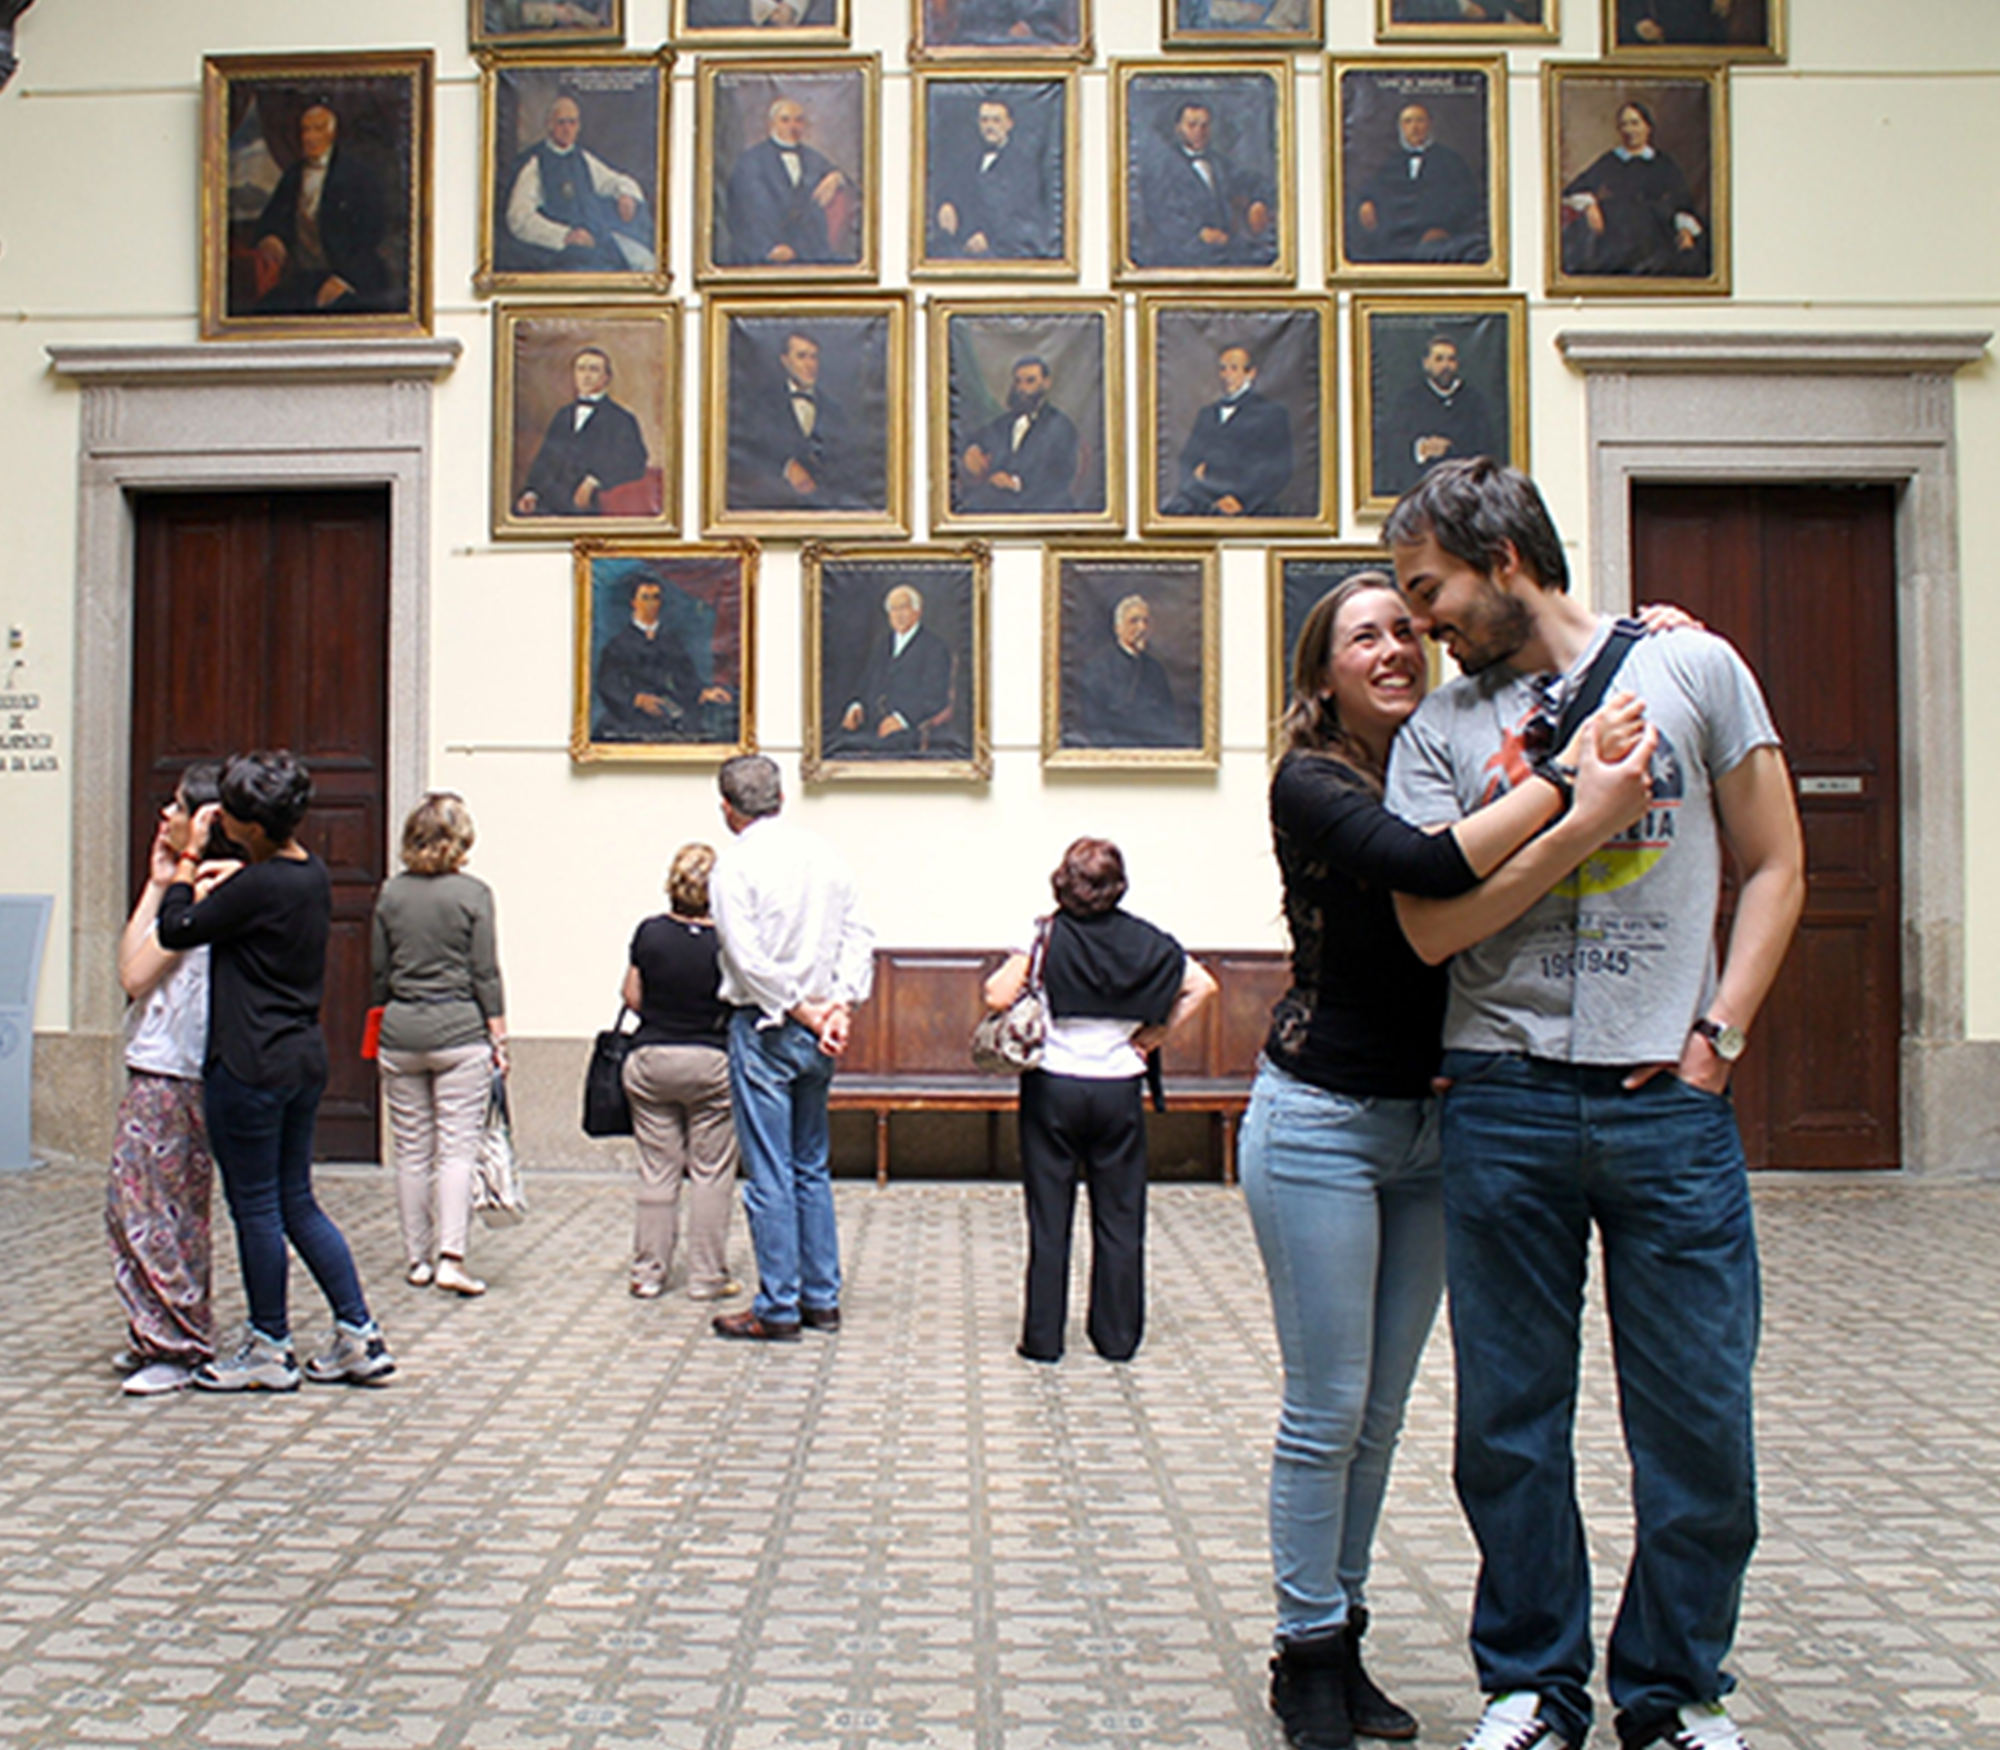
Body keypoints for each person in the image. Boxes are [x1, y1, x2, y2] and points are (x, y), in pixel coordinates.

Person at [1382, 458, 1805, 1750]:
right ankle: (1532, 1683)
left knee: (1699, 1421)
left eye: (1430, 589)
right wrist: (1574, 814)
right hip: (1504, 1099)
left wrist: (1718, 1036)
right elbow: (1432, 927)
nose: (1422, 622)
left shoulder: (1695, 667)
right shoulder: (1441, 731)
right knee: (1508, 1420)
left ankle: (1676, 1691)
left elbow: (1780, 858)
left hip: (1665, 1111)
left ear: (1501, 554)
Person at [1241, 576, 1657, 1750]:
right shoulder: (1310, 779)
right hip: (1319, 1118)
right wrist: (1574, 790)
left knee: (1377, 1413)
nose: (1392, 650)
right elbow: (1427, 868)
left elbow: (1573, 663)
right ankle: (1302, 1653)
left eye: (1403, 632)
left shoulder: (1455, 750)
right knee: (1323, 1406)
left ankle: (1343, 1627)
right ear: (1320, 673)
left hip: (1432, 1125)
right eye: (1360, 636)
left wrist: (1648, 638)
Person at [156, 750, 396, 1392]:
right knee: (297, 1201)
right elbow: (249, 900)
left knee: (256, 1207)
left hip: (248, 1062)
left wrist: (184, 862)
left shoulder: (255, 887)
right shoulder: (309, 875)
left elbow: (177, 928)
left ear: (252, 828)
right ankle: (357, 1334)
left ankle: (268, 1345)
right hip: (300, 1057)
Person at [983, 838, 1215, 1366]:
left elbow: (997, 996)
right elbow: (1203, 986)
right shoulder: (1146, 940)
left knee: (1049, 1217)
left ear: (1062, 881)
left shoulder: (1043, 933)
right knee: (1120, 1214)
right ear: (1118, 887)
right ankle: (1116, 1338)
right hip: (1118, 1089)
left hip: (1054, 1087)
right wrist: (1156, 1035)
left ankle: (1043, 1339)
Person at [708, 755, 874, 1342]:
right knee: (811, 1165)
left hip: (764, 1028)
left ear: (728, 808)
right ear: (779, 799)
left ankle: (778, 1305)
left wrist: (805, 1009)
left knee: (769, 1173)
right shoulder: (825, 855)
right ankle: (821, 1298)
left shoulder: (734, 867)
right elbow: (859, 935)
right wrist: (840, 1008)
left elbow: (749, 959)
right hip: (820, 1029)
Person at [106, 763, 234, 1396]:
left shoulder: (208, 893)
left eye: (177, 806)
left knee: (160, 1210)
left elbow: (138, 976)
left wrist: (181, 873)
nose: (164, 813)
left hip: (178, 1069)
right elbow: (130, 963)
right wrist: (156, 883)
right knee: (140, 1205)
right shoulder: (179, 890)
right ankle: (157, 1330)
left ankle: (178, 1342)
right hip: (154, 1064)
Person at [371, 793, 508, 1300]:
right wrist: (498, 1034)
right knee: (455, 1150)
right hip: (459, 1033)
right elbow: (485, 972)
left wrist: (386, 1014)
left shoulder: (390, 894)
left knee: (411, 1151)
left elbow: (379, 970)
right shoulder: (474, 894)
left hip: (401, 1030)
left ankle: (416, 1259)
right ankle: (452, 1257)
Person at [621, 842, 742, 1303]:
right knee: (711, 1171)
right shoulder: (727, 942)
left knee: (657, 1169)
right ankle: (707, 1276)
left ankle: (648, 1272)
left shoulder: (650, 933)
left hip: (652, 1059)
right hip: (711, 1061)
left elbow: (632, 996)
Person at [248, 101, 393, 315]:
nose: (310, 137)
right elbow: (271, 219)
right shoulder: (294, 174)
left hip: (351, 277)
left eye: (318, 128)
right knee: (263, 314)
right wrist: (272, 237)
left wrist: (344, 279)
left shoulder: (357, 175)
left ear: (332, 133)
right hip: (303, 277)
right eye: (306, 130)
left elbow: (372, 235)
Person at [500, 93, 657, 275]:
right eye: (561, 123)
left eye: (572, 122)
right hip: (564, 251)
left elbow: (612, 180)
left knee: (647, 263)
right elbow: (519, 217)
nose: (567, 129)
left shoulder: (582, 158)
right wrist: (565, 235)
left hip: (598, 237)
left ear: (578, 126)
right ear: (549, 125)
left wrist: (625, 194)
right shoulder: (535, 163)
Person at [1561, 100, 1709, 280]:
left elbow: (1682, 200)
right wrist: (1591, 206)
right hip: (1617, 229)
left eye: (1635, 123)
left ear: (1648, 127)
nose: (1629, 130)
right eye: (1624, 124)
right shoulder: (1612, 161)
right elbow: (1574, 189)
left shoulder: (1663, 163)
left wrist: (1685, 230)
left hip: (1656, 230)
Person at [1132, 100, 1277, 270]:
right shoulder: (1163, 167)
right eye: (1192, 125)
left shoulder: (1219, 163)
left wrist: (1259, 202)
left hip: (1224, 249)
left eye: (1204, 125)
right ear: (1178, 127)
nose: (1199, 132)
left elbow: (1252, 182)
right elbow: (1160, 214)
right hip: (1182, 252)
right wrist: (1198, 234)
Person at [728, 329, 859, 511]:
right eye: (801, 356)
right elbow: (745, 454)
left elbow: (848, 465)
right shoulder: (761, 405)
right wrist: (786, 467)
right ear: (785, 360)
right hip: (774, 508)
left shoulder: (834, 411)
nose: (809, 365)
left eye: (814, 357)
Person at [594, 573, 733, 743]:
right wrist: (637, 700)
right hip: (629, 717)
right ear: (633, 603)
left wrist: (704, 692)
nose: (651, 604)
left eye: (656, 598)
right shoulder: (618, 644)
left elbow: (685, 677)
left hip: (667, 710)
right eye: (645, 598)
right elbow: (608, 684)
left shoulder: (670, 640)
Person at [514, 346, 649, 519]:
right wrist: (531, 493)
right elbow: (545, 460)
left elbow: (635, 463)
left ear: (606, 377)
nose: (586, 376)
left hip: (590, 506)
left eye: (593, 370)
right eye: (581, 369)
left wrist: (594, 480)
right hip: (548, 504)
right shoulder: (563, 415)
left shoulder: (621, 419)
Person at [1162, 344, 1294, 518]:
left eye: (1234, 368)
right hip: (1205, 503)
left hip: (1251, 507)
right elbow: (1188, 460)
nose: (1227, 376)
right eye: (1223, 369)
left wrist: (1242, 500)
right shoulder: (1207, 414)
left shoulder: (1271, 414)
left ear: (1251, 373)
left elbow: (1278, 469)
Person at [721, 97, 857, 266]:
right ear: (771, 124)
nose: (792, 127)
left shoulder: (812, 157)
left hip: (810, 252)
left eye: (798, 121)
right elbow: (744, 213)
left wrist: (836, 177)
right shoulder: (751, 161)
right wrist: (768, 248)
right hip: (764, 253)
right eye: (785, 120)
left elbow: (852, 185)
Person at [1349, 102, 1486, 265]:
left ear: (1430, 124)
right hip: (1395, 243)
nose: (1414, 128)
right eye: (1408, 122)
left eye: (1419, 121)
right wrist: (1366, 204)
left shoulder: (1451, 161)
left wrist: (1445, 229)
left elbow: (1466, 202)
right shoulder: (1392, 162)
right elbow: (1372, 190)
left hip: (1439, 242)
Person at [1374, 335, 1498, 499]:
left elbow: (1486, 448)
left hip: (1463, 491)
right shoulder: (1408, 402)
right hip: (1420, 490)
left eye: (1451, 360)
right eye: (1439, 359)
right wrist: (1421, 448)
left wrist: (1451, 448)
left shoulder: (1474, 402)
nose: (1445, 366)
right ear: (1426, 364)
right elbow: (1392, 446)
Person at [955, 355, 1079, 516]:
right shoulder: (1005, 423)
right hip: (1002, 501)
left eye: (1030, 381)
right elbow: (974, 437)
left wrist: (1015, 483)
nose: (1022, 388)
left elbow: (1060, 475)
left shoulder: (1060, 426)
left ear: (1046, 383)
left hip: (1044, 504)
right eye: (1018, 381)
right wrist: (973, 449)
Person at [931, 96, 1052, 261]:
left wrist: (991, 239)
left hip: (1005, 250)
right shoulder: (969, 158)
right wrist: (946, 204)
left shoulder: (1024, 165)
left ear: (1009, 124)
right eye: (984, 120)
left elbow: (1023, 216)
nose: (989, 127)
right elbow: (956, 190)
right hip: (963, 244)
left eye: (996, 121)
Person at [838, 585, 954, 755]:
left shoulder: (934, 647)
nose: (898, 614)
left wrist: (902, 719)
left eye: (903, 608)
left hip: (909, 729)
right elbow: (866, 682)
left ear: (917, 611)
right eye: (893, 609)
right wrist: (856, 706)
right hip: (871, 724)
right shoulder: (882, 645)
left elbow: (935, 696)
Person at [1073, 594, 1187, 749]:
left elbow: (1168, 721)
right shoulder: (1099, 668)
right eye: (1134, 621)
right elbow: (1094, 724)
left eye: (1145, 621)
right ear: (1118, 629)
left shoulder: (1155, 669)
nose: (1142, 628)